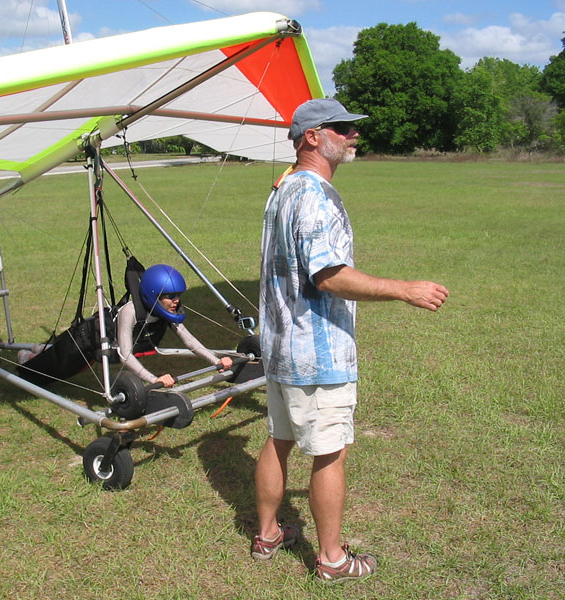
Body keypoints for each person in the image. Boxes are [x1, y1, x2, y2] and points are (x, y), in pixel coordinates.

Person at [253, 98, 449, 583]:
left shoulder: (282, 189)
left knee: (278, 440)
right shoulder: (315, 195)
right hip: (316, 355)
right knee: (330, 451)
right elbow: (329, 275)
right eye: (340, 128)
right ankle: (333, 561)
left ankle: (268, 534)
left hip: (279, 348)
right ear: (312, 137)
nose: (353, 134)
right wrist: (404, 290)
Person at [116, 263, 233, 387]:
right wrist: (154, 380)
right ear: (154, 296)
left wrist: (216, 361)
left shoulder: (167, 310)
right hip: (103, 345)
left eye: (178, 295)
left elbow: (189, 340)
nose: (176, 301)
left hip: (139, 346)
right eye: (170, 296)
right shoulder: (130, 312)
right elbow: (125, 356)